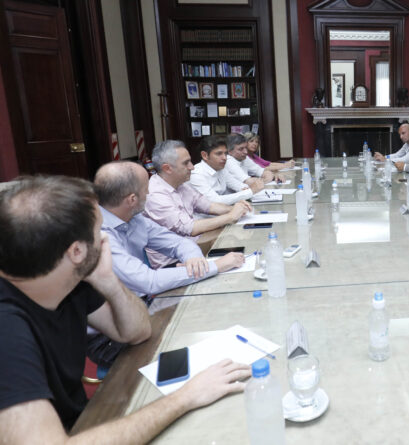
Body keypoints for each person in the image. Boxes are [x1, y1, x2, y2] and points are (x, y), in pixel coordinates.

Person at [0, 176, 250, 442]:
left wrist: (107, 280)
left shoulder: (71, 282)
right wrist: (185, 397)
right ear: (76, 252)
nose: (106, 238)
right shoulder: (7, 329)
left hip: (82, 423)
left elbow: (137, 331)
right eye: (99, 230)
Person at [92, 161, 245, 367]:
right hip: (110, 333)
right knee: (193, 348)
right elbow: (148, 281)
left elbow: (179, 243)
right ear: (132, 199)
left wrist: (193, 260)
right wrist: (216, 266)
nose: (150, 193)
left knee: (211, 319)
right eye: (146, 189)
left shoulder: (134, 218)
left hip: (143, 304)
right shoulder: (99, 233)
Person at [145, 140, 252, 268]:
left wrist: (236, 208)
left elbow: (209, 206)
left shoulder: (181, 185)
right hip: (174, 263)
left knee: (247, 248)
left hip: (196, 248)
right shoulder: (155, 195)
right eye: (186, 163)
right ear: (167, 168)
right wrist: (230, 216)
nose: (192, 167)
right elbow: (190, 228)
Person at [189, 135, 254, 205]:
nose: (224, 158)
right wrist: (249, 192)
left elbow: (238, 185)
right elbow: (214, 201)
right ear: (205, 155)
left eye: (225, 153)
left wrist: (247, 190)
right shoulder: (196, 174)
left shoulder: (221, 169)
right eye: (219, 154)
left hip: (224, 209)